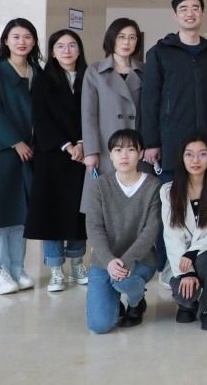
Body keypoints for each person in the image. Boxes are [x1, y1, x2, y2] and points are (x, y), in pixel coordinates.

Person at [0, 18, 41, 295]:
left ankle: (16, 269)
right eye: (16, 37)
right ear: (6, 41)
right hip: (1, 153)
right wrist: (16, 142)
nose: (21, 42)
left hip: (29, 156)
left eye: (27, 37)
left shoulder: (37, 73)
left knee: (20, 216)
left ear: (34, 42)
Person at [25, 29, 88, 293]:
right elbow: (41, 119)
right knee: (51, 213)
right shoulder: (43, 80)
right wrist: (67, 145)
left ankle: (77, 263)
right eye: (60, 46)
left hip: (82, 156)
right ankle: (55, 269)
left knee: (79, 211)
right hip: (52, 155)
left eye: (72, 45)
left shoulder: (89, 77)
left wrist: (83, 143)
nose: (66, 51)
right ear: (52, 52)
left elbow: (92, 113)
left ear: (79, 49)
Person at [84, 129, 163, 333]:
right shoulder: (99, 186)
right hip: (104, 261)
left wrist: (126, 262)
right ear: (110, 155)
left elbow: (150, 230)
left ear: (141, 153)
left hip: (140, 261)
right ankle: (113, 297)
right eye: (118, 150)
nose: (124, 155)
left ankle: (136, 303)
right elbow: (94, 227)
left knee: (125, 280)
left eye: (131, 150)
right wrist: (109, 261)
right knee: (99, 325)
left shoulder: (153, 186)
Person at [141, 0, 207, 180]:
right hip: (172, 141)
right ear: (175, 15)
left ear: (202, 14)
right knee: (173, 194)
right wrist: (151, 143)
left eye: (195, 8)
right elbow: (150, 99)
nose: (190, 13)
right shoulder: (159, 52)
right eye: (183, 9)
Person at [161, 134, 207, 331]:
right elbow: (172, 235)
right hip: (180, 257)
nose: (195, 160)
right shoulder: (168, 191)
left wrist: (194, 250)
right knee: (185, 295)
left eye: (202, 154)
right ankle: (188, 304)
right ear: (181, 157)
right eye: (189, 154)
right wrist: (186, 272)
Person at [81, 18, 148, 215]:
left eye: (132, 37)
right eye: (121, 37)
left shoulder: (145, 71)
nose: (127, 42)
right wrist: (90, 151)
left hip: (137, 147)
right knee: (105, 207)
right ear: (111, 39)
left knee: (138, 208)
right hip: (106, 148)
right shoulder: (95, 71)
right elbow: (88, 114)